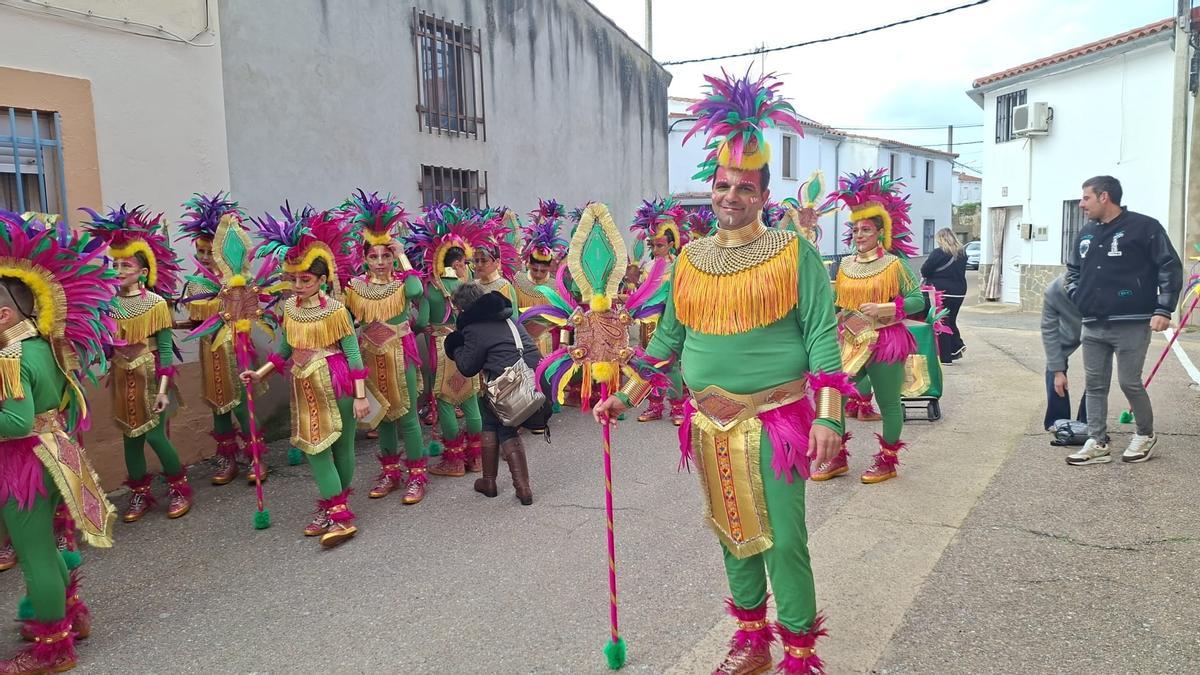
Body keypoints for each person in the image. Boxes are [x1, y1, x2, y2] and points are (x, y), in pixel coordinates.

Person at [594, 71, 851, 674]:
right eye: (722, 183)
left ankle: (799, 655)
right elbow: (669, 340)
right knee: (731, 530)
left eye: (744, 186)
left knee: (784, 539)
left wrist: (829, 418)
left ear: (763, 195)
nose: (730, 194)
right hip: (708, 420)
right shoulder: (689, 258)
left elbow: (821, 333)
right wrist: (627, 393)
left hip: (778, 418)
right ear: (710, 188)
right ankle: (752, 641)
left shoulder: (795, 253)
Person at [0, 210, 119, 674]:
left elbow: (14, 420)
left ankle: (52, 647)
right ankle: (71, 617)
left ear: (4, 312)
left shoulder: (8, 356)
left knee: (34, 554)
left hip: (23, 461)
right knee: (46, 546)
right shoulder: (43, 343)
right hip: (54, 452)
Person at [241, 205, 370, 548]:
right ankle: (335, 508)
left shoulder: (336, 310)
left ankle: (337, 514)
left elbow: (354, 353)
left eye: (305, 279)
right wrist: (260, 372)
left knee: (341, 447)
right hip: (304, 384)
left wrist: (360, 396)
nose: (298, 286)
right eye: (294, 279)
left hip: (337, 383)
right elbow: (284, 350)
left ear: (322, 279)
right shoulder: (289, 309)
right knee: (317, 450)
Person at [82, 206, 191, 522]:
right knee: (130, 438)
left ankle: (179, 487)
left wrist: (163, 390)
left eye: (125, 264)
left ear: (143, 272)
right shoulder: (107, 305)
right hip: (121, 377)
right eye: (114, 264)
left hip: (149, 376)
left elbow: (167, 351)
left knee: (156, 436)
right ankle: (140, 493)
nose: (118, 269)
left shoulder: (156, 304)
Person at [1064, 176, 1183, 465]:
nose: (1081, 204)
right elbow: (1073, 271)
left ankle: (1145, 434)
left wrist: (1163, 309)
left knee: (1129, 382)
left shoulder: (1145, 227)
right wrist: (1078, 296)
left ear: (1105, 197)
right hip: (1093, 322)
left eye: (1086, 198)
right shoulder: (1086, 234)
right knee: (1094, 385)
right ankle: (1097, 441)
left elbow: (1169, 267)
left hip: (1131, 320)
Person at [816, 170, 925, 484]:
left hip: (886, 340)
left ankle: (887, 460)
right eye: (855, 229)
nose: (858, 234)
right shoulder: (846, 264)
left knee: (888, 401)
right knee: (832, 392)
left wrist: (886, 308)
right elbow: (837, 302)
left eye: (865, 229)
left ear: (880, 233)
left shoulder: (894, 264)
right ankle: (836, 457)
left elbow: (918, 300)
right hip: (850, 340)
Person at [342, 190, 429, 504]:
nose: (380, 262)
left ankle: (417, 475)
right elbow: (345, 316)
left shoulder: (402, 282)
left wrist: (402, 253)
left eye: (385, 256)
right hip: (369, 355)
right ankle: (391, 471)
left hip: (398, 354)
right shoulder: (355, 287)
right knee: (381, 417)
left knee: (405, 414)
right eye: (373, 256)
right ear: (364, 258)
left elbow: (417, 289)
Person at [177, 192, 266, 486]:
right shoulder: (194, 283)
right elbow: (195, 321)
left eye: (208, 251)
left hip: (233, 349)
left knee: (241, 403)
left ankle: (256, 456)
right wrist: (166, 323)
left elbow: (255, 313)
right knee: (217, 405)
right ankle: (227, 457)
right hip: (208, 351)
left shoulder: (238, 281)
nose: (204, 257)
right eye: (200, 252)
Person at [409, 204, 493, 477]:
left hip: (440, 347)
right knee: (469, 399)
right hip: (468, 344)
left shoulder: (431, 288)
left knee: (445, 400)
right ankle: (477, 458)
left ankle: (455, 461)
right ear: (455, 262)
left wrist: (418, 326)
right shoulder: (469, 287)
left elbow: (421, 322)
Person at [444, 282, 541, 505]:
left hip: (504, 386)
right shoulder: (507, 318)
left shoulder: (474, 328)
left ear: (462, 309)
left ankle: (522, 488)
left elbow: (468, 367)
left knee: (503, 427)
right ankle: (489, 482)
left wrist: (455, 346)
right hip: (528, 379)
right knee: (491, 420)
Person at [628, 198, 691, 426]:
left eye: (660, 245)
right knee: (649, 363)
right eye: (652, 246)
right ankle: (655, 405)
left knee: (671, 365)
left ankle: (677, 407)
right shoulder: (649, 268)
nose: (655, 250)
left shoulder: (678, 267)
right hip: (649, 325)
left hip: (671, 324)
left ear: (671, 244)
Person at [1041, 274, 1087, 434]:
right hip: (1070, 329)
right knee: (1053, 366)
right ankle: (1057, 420)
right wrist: (1058, 372)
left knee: (1099, 371)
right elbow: (1049, 329)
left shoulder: (1102, 284)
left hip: (1100, 328)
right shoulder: (1054, 291)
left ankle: (1089, 420)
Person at [920, 228, 968, 364]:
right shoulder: (962, 253)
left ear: (941, 239)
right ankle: (956, 347)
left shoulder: (938, 253)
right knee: (951, 319)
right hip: (959, 291)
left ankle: (947, 356)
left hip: (941, 291)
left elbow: (925, 270)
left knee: (942, 322)